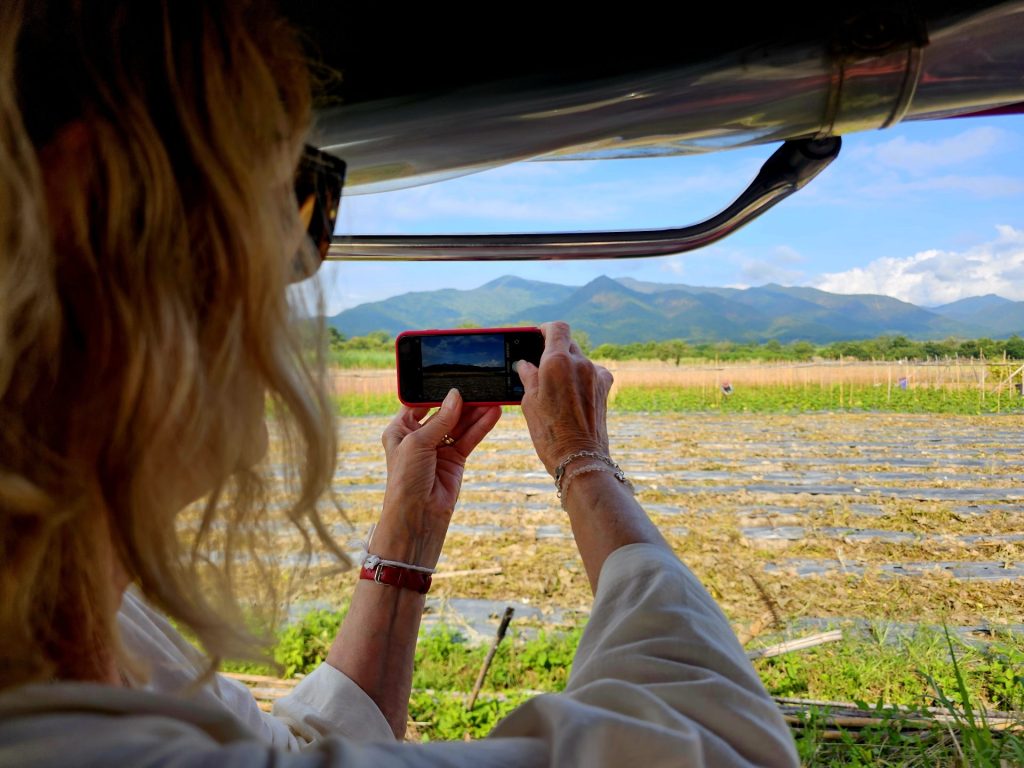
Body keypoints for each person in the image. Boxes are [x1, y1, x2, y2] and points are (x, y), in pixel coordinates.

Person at [0, 1, 799, 765]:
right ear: (96, 213)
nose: (293, 273)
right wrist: (583, 464)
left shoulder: (89, 632)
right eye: (287, 209)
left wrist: (408, 533)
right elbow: (721, 747)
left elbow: (305, 748)